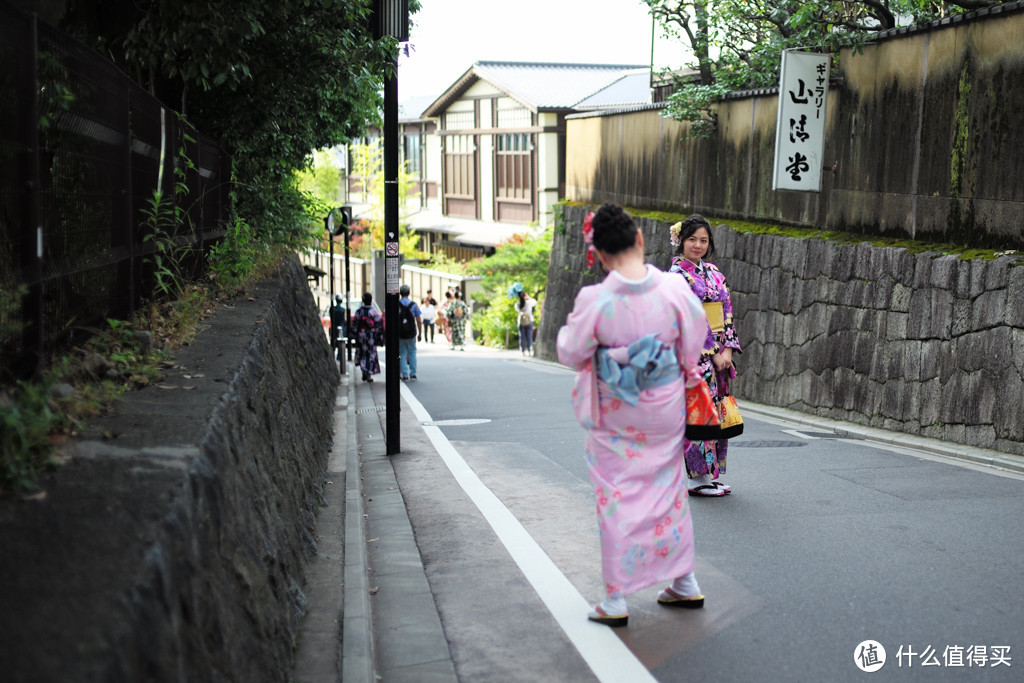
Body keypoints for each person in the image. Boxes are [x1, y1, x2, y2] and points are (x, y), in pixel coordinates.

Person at [557, 203, 708, 628]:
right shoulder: (674, 289)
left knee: (616, 495)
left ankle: (617, 597)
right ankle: (684, 581)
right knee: (668, 487)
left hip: (617, 410)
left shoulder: (597, 299)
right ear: (639, 239)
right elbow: (695, 334)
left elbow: (571, 351)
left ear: (600, 255)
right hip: (664, 405)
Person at [669, 214, 743, 497]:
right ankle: (695, 478)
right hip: (693, 357)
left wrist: (726, 349)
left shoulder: (714, 273)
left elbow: (727, 313)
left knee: (717, 413)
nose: (697, 245)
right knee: (698, 413)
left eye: (703, 240)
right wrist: (712, 352)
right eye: (692, 239)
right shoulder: (676, 277)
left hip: (719, 356)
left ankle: (709, 476)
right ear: (681, 242)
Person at [350, 292, 384, 382]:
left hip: (361, 335)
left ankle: (363, 371)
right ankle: (368, 374)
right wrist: (379, 336)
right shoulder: (373, 311)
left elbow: (354, 324)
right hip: (371, 335)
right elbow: (378, 324)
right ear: (371, 301)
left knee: (362, 352)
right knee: (370, 354)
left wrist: (354, 333)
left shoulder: (359, 312)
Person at [397, 284, 422, 380]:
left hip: (401, 333)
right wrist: (420, 333)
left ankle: (404, 374)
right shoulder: (414, 305)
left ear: (400, 293)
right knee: (412, 352)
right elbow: (419, 320)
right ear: (409, 293)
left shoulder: (397, 305)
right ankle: (413, 373)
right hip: (411, 332)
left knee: (402, 353)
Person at [514, 287, 537, 356]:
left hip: (521, 322)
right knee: (529, 336)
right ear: (524, 296)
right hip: (529, 321)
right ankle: (530, 350)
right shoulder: (529, 303)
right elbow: (535, 302)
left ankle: (523, 351)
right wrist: (528, 297)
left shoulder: (517, 304)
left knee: (522, 336)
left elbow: (517, 310)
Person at [328, 294, 346, 359]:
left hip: (334, 326)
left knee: (333, 342)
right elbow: (343, 319)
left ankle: (332, 355)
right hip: (341, 327)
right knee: (340, 343)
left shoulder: (332, 309)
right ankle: (339, 356)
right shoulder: (342, 309)